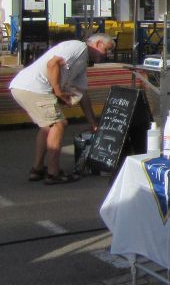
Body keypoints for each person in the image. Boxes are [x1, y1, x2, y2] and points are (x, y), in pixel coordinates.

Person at [10, 33, 115, 184]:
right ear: (98, 44)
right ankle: (53, 173)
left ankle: (37, 169)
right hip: (34, 87)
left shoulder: (81, 63)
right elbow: (53, 64)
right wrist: (58, 91)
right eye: (108, 49)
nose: (108, 54)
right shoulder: (77, 47)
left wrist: (93, 124)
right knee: (59, 124)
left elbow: (83, 95)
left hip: (23, 87)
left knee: (47, 126)